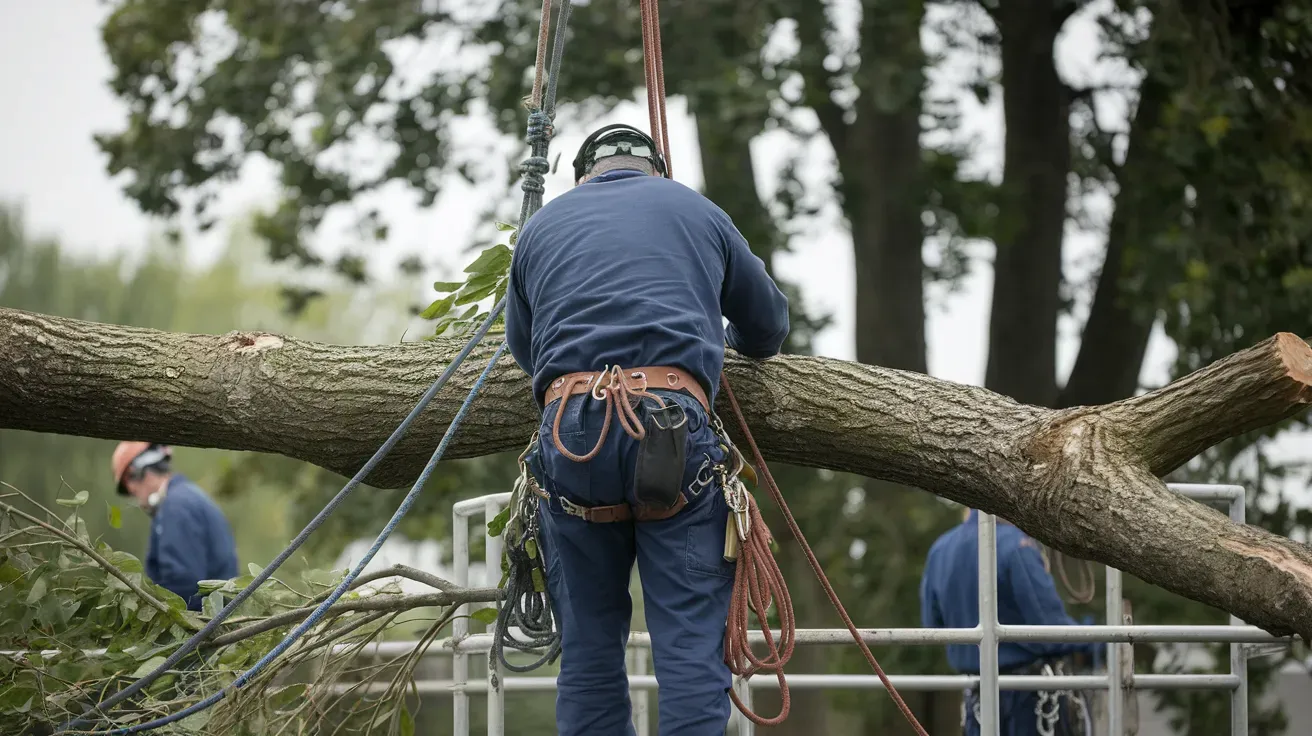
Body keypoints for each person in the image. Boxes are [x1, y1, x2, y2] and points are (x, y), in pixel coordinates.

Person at [505, 123, 790, 736]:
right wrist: (712, 348)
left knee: (588, 650)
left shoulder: (540, 228)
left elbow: (525, 351)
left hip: (570, 432)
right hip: (672, 427)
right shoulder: (701, 211)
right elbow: (768, 327)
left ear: (585, 173)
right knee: (688, 648)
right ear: (658, 167)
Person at [920, 508, 1098, 736]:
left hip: (976, 697)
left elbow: (932, 625)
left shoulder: (940, 550)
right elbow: (1051, 632)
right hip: (1027, 701)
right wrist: (1099, 639)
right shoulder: (1016, 546)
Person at [110, 442, 238, 612]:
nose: (133, 491)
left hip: (205, 623)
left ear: (141, 471)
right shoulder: (186, 497)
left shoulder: (176, 507)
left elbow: (182, 584)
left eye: (130, 484)